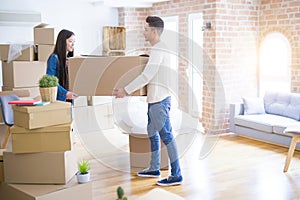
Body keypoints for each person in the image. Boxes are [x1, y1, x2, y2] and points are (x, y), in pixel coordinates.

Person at [113, 16, 183, 186]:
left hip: (159, 101)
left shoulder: (159, 49)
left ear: (154, 31)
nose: (143, 32)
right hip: (155, 100)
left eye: (145, 29)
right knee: (152, 134)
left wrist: (125, 90)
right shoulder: (158, 49)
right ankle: (154, 168)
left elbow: (147, 75)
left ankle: (176, 175)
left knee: (166, 136)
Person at [46, 29, 78, 102]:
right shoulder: (54, 58)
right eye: (70, 41)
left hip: (69, 99)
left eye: (74, 42)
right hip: (59, 99)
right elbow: (51, 81)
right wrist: (65, 93)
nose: (73, 44)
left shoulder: (70, 60)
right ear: (63, 42)